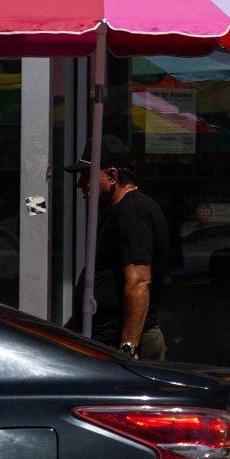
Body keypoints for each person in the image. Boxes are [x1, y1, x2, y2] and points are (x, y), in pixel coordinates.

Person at [67, 137, 170, 360]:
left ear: (112, 176)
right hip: (105, 341)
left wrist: (127, 349)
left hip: (122, 347)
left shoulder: (132, 213)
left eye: (87, 175)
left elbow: (139, 281)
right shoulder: (118, 212)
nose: (80, 184)